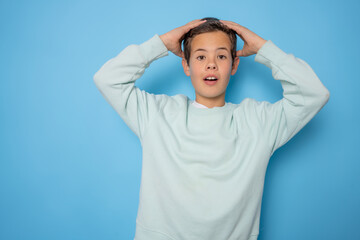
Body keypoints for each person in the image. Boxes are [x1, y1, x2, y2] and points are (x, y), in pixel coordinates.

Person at [93, 17, 329, 240]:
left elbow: (314, 94)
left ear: (235, 65)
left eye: (222, 57)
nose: (211, 65)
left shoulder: (259, 122)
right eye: (200, 57)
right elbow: (107, 79)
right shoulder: (157, 114)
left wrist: (263, 48)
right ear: (186, 65)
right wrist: (162, 44)